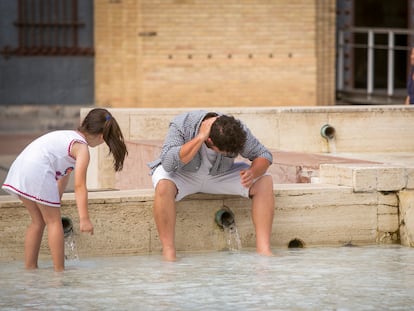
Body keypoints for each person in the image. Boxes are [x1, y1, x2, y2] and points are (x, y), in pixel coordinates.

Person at [2, 108, 128, 271]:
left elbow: (63, 174)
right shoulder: (82, 148)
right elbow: (80, 185)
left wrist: (56, 199)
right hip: (38, 171)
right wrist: (84, 218)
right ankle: (59, 272)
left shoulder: (67, 136)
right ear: (102, 137)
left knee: (37, 221)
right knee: (54, 222)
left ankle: (30, 268)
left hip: (20, 168)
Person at [148, 110, 274, 261]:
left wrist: (253, 172)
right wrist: (200, 137)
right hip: (183, 175)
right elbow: (168, 163)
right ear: (210, 141)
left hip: (219, 176)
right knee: (163, 185)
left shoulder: (235, 130)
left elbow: (264, 155)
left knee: (264, 181)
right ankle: (169, 253)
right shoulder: (182, 124)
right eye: (225, 153)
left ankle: (264, 250)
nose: (230, 154)